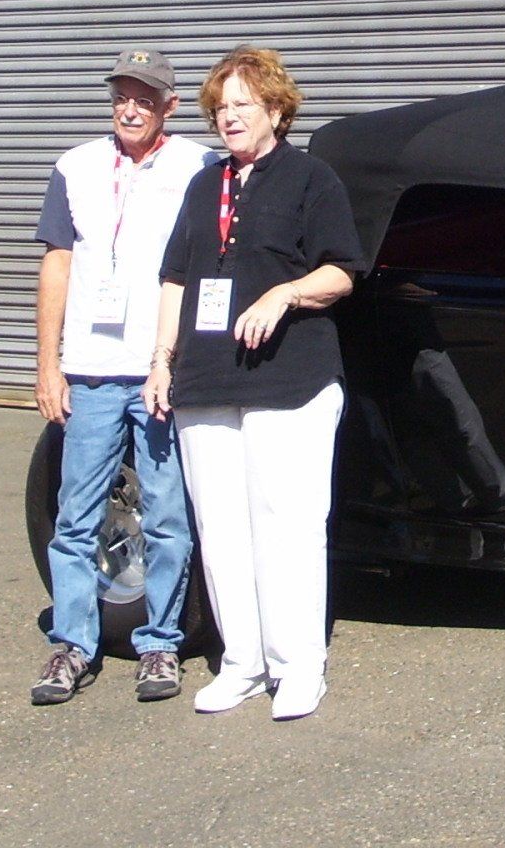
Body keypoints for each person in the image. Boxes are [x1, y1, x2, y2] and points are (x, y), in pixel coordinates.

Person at [144, 46, 364, 720]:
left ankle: (298, 667)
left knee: (286, 525)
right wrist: (161, 360)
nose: (229, 117)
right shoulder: (204, 185)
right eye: (220, 107)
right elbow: (175, 277)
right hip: (207, 381)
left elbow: (342, 271)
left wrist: (284, 294)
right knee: (221, 530)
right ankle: (242, 663)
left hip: (289, 381)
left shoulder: (311, 179)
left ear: (276, 109)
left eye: (242, 104)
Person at [31, 48, 218, 706]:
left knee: (167, 515)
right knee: (75, 515)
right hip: (90, 372)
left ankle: (160, 643)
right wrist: (48, 364)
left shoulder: (199, 166)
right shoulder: (75, 166)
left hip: (158, 371)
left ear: (169, 106)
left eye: (145, 98)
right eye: (121, 97)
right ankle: (72, 645)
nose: (130, 109)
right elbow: (57, 264)